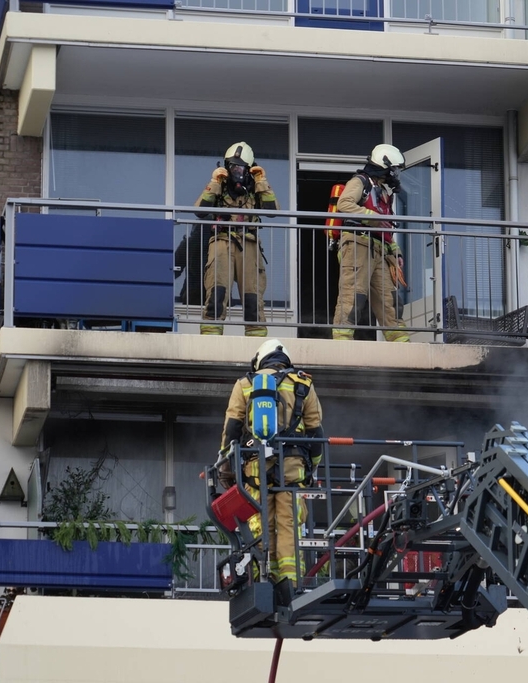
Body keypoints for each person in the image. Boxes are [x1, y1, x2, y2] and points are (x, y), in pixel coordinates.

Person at [218, 339, 324, 589]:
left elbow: (232, 430)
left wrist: (225, 466)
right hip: (292, 470)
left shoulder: (245, 384)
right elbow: (316, 434)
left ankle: (261, 578)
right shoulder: (304, 384)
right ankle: (289, 583)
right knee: (288, 524)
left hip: (256, 470)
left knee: (259, 522)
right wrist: (312, 468)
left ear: (259, 360)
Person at [197, 142, 278, 336]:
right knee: (217, 291)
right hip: (221, 242)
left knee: (253, 296)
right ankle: (210, 337)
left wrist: (261, 181)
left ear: (249, 168)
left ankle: (255, 338)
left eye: (241, 167)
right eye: (233, 166)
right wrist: (215, 182)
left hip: (249, 244)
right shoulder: (219, 185)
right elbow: (200, 211)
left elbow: (272, 211)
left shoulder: (256, 188)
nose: (236, 170)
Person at [331, 143, 409, 343]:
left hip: (381, 250)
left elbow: (386, 227)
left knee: (390, 300)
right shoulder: (360, 181)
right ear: (384, 166)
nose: (395, 174)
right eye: (394, 169)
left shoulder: (383, 192)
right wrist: (371, 216)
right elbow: (344, 203)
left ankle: (401, 344)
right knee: (353, 294)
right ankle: (342, 342)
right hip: (358, 243)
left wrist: (396, 251)